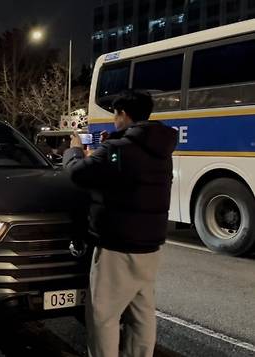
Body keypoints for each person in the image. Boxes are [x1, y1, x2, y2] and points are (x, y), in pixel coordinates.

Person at [63, 90, 177, 357]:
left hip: (117, 245)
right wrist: (111, 144)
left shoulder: (119, 150)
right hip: (150, 245)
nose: (114, 119)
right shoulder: (159, 148)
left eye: (115, 114)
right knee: (142, 311)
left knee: (103, 314)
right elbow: (127, 167)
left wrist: (75, 150)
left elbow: (78, 174)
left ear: (123, 114)